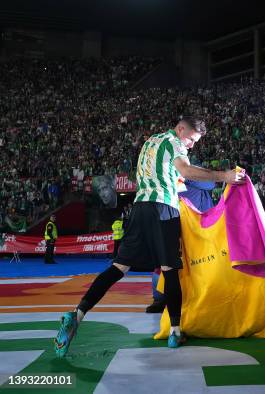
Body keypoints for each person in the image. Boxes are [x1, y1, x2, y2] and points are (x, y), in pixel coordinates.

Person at [53, 116, 245, 356]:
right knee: (169, 268)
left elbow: (169, 175)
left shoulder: (150, 141)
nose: (191, 145)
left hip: (140, 208)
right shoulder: (174, 142)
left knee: (118, 267)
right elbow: (186, 170)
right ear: (181, 129)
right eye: (191, 139)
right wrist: (224, 176)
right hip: (163, 210)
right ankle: (175, 332)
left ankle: (77, 314)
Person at [146, 178, 216, 314]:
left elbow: (210, 183)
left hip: (198, 228)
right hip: (175, 222)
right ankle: (159, 299)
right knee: (163, 262)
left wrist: (187, 176)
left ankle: (202, 295)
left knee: (201, 263)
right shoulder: (169, 176)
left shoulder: (192, 174)